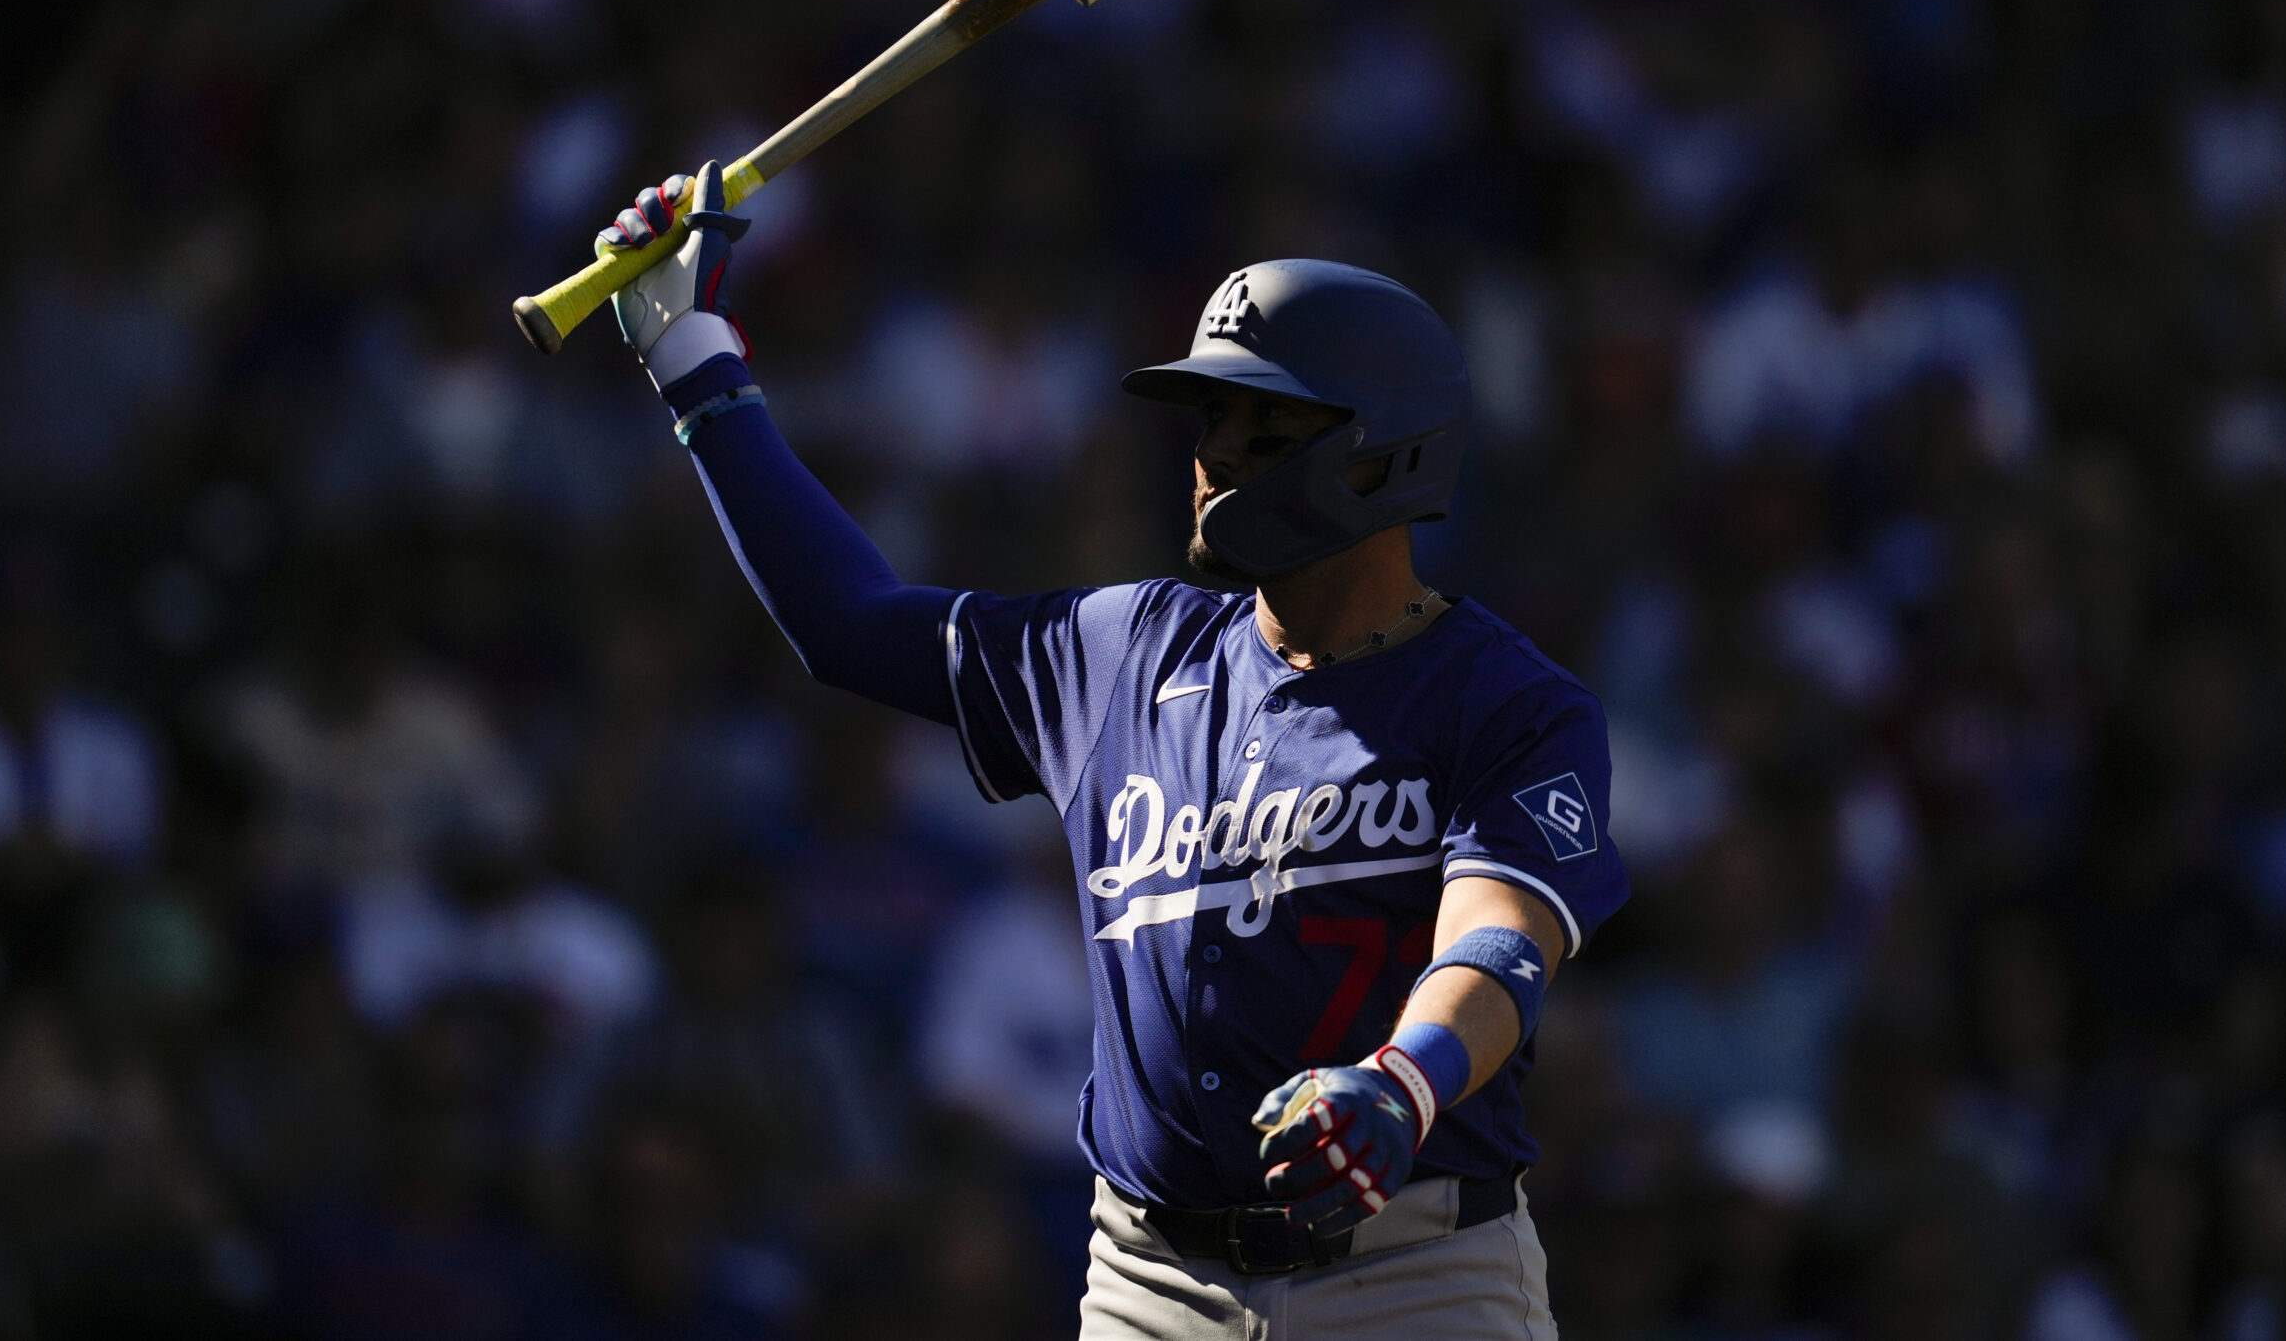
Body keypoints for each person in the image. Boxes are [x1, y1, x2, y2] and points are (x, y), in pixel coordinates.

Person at [591, 174, 1631, 1338]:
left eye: (1264, 425)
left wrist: (1404, 1080)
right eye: (1209, 419)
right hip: (1154, 1283)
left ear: (1385, 455)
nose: (1213, 453)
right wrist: (693, 356)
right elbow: (846, 620)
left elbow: (1499, 945)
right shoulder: (1118, 653)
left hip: (1414, 1274)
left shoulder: (1507, 699)